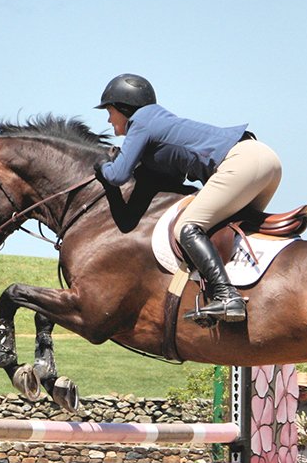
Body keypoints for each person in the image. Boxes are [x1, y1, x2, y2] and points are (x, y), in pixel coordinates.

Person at [93, 73, 283, 325]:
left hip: (241, 163)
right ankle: (228, 300)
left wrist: (102, 164)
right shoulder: (161, 122)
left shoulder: (141, 121)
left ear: (124, 107)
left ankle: (227, 297)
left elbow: (117, 175)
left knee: (187, 226)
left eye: (110, 111)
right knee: (224, 233)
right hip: (267, 161)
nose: (108, 119)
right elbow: (171, 180)